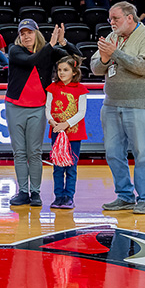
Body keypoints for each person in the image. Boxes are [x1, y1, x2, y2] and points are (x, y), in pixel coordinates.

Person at [91, 1, 145, 214]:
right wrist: (104, 59)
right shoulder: (112, 37)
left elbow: (144, 66)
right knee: (113, 153)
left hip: (140, 104)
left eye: (115, 18)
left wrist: (115, 54)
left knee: (142, 153)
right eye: (110, 18)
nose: (111, 22)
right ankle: (124, 196)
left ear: (130, 17)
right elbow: (95, 68)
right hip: (111, 103)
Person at [6, 19, 80, 207]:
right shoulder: (15, 50)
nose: (26, 36)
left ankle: (35, 193)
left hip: (38, 107)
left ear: (37, 33)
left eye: (29, 32)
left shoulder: (50, 50)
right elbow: (31, 61)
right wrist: (51, 45)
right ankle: (23, 192)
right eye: (22, 33)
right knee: (19, 152)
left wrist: (63, 42)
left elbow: (77, 58)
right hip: (15, 107)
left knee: (35, 152)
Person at [46, 55, 89, 209]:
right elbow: (48, 108)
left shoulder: (80, 90)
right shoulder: (52, 88)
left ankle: (69, 197)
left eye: (65, 70)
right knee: (58, 167)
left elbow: (81, 112)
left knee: (71, 167)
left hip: (74, 135)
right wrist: (52, 121)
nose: (62, 73)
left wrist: (66, 124)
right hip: (57, 133)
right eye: (59, 70)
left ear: (74, 72)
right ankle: (58, 196)